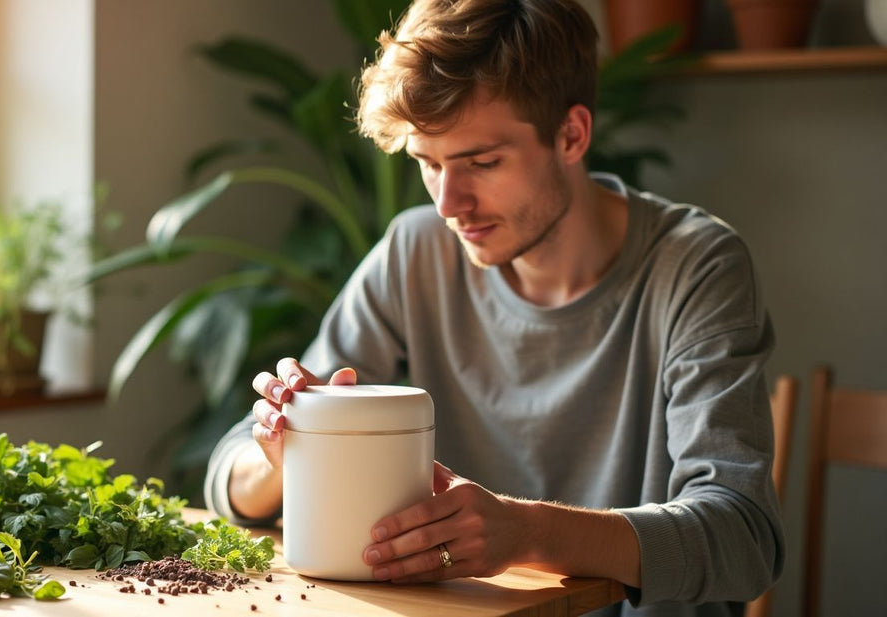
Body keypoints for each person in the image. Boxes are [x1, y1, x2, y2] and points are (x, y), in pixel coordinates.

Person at [203, 0, 784, 614]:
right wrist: (286, 452)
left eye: (482, 162)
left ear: (572, 135)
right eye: (429, 163)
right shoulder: (415, 249)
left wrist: (528, 533)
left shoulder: (695, 266)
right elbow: (231, 474)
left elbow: (743, 537)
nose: (450, 203)